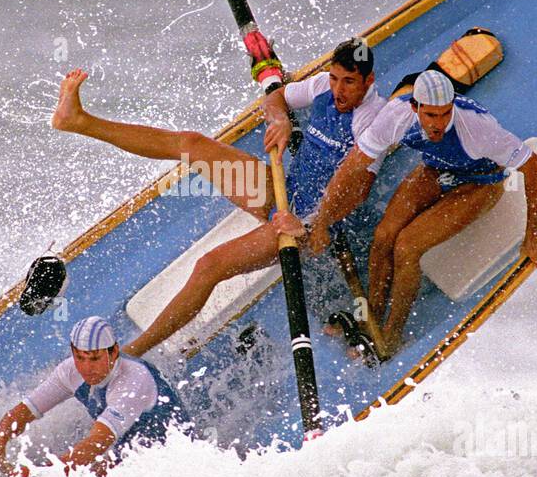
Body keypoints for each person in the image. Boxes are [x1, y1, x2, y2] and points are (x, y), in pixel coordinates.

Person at [50, 38, 386, 357]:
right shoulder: (322, 88)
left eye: (349, 83)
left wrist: (313, 224)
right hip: (286, 190)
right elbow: (275, 98)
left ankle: (130, 353)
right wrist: (281, 119)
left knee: (209, 266)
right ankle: (80, 121)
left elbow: (357, 192)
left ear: (368, 80)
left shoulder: (374, 122)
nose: (338, 91)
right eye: (334, 79)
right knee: (192, 144)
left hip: (311, 225)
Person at [287, 67, 537, 352]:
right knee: (384, 234)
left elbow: (535, 167)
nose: (439, 124)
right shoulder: (396, 115)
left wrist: (533, 233)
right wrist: (322, 219)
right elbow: (352, 165)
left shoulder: (478, 128)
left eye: (445, 114)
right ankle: (372, 314)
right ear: (415, 107)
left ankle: (391, 335)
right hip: (436, 170)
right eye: (431, 115)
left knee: (406, 246)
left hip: (480, 182)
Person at [0, 316, 187, 477]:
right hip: (131, 454)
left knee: (86, 474)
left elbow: (95, 445)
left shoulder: (132, 381)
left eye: (94, 359)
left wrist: (42, 474)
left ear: (113, 352)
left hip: (176, 461)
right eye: (80, 358)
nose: (87, 368)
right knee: (88, 476)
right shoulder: (70, 371)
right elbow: (23, 412)